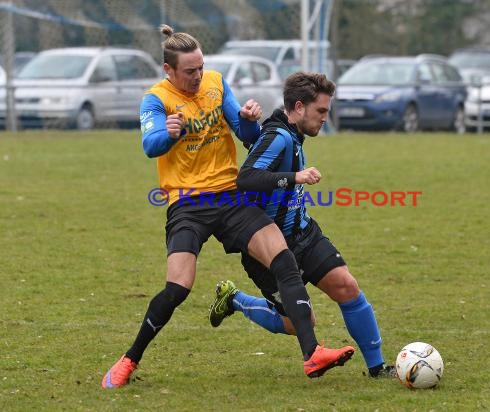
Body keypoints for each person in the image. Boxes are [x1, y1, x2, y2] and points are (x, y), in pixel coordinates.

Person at [101, 26, 354, 389]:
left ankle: (312, 355)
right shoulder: (156, 99)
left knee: (283, 259)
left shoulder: (216, 84)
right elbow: (150, 145)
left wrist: (250, 120)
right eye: (190, 71)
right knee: (178, 287)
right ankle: (129, 359)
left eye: (201, 67)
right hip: (187, 203)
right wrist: (168, 133)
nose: (198, 76)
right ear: (168, 71)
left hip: (230, 195)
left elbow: (246, 135)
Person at [208, 72, 395, 379]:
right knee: (299, 321)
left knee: (347, 286)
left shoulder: (292, 134)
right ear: (299, 107)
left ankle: (377, 368)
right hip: (269, 250)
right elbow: (246, 179)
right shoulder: (279, 137)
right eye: (321, 111)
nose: (325, 118)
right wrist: (294, 177)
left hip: (303, 233)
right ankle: (235, 300)